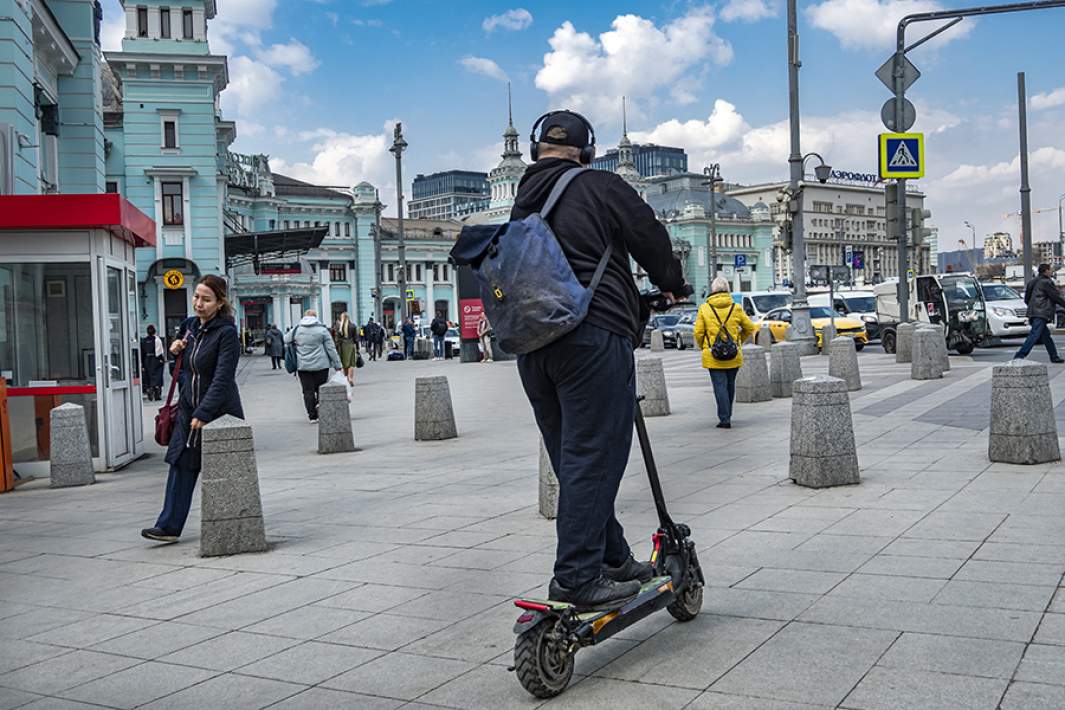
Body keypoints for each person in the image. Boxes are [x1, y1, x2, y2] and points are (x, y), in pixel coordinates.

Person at [510, 110, 685, 610]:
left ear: (535, 150)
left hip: (532, 344)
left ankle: (611, 557)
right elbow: (651, 239)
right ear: (587, 151)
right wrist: (671, 283)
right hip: (592, 336)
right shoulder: (600, 185)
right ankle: (576, 578)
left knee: (574, 458)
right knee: (596, 456)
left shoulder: (523, 198)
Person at [141, 275, 243, 543]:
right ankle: (168, 527)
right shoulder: (189, 327)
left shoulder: (227, 334)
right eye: (196, 297)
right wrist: (176, 350)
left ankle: (237, 522)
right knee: (180, 464)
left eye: (206, 299)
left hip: (219, 413)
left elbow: (222, 379)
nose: (198, 303)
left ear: (220, 303)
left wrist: (204, 413)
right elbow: (187, 368)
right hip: (188, 410)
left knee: (226, 472)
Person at [693, 276, 757, 429]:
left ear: (713, 289)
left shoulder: (705, 308)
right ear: (727, 289)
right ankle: (727, 413)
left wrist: (705, 346)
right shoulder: (735, 307)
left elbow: (698, 332)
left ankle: (724, 418)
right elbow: (749, 327)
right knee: (730, 385)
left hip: (713, 355)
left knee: (719, 386)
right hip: (733, 354)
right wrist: (738, 341)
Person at [286, 309, 342, 422]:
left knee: (307, 391)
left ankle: (312, 416)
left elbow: (286, 339)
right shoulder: (322, 330)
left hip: (303, 366)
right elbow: (331, 349)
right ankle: (320, 407)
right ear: (316, 317)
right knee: (321, 389)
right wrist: (337, 364)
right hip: (321, 366)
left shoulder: (296, 329)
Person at [1016, 263, 1065, 362]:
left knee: (1046, 336)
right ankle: (1019, 356)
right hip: (1041, 313)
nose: (1051, 272)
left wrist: (1033, 307)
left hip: (1033, 312)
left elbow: (1026, 299)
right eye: (1050, 270)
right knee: (1034, 335)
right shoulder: (1047, 282)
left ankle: (1054, 357)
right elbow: (1055, 297)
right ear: (1046, 271)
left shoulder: (1032, 282)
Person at [334, 311, 360, 385]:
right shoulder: (353, 326)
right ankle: (350, 378)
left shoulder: (339, 327)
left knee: (345, 363)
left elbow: (337, 339)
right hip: (351, 345)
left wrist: (336, 347)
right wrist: (357, 348)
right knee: (351, 364)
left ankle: (346, 378)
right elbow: (356, 339)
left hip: (342, 346)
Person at [140, 325, 165, 401]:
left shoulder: (144, 340)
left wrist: (143, 364)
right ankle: (157, 392)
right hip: (155, 359)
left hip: (147, 360)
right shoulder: (157, 339)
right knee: (157, 376)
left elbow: (142, 353)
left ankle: (149, 389)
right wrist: (162, 360)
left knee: (149, 376)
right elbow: (159, 352)